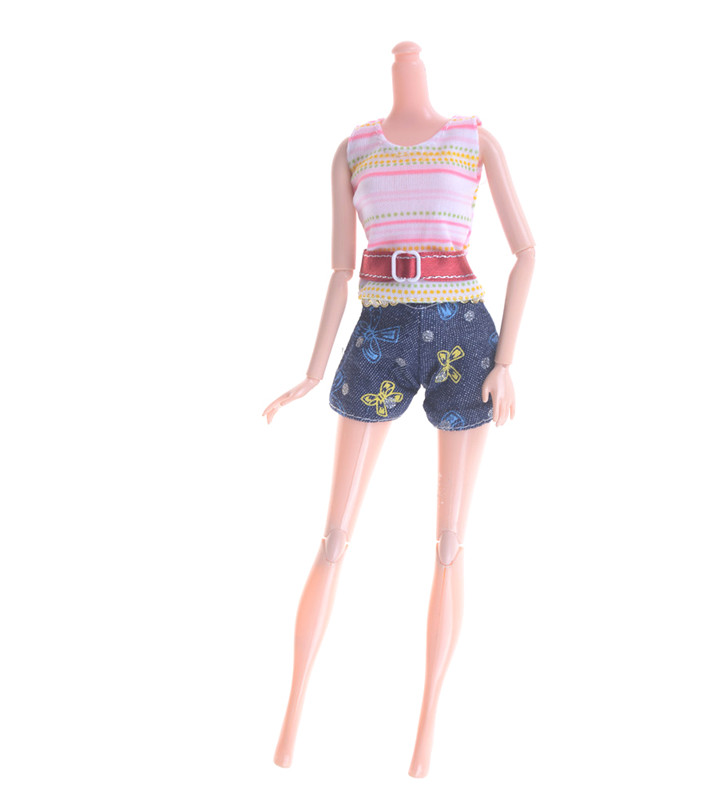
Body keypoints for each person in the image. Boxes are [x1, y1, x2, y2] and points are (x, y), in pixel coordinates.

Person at [263, 41, 536, 778]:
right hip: (378, 330)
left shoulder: (474, 140)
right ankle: (291, 722)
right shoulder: (353, 149)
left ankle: (425, 739)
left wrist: (507, 360)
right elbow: (338, 269)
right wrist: (312, 371)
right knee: (333, 536)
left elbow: (528, 251)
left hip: (464, 335)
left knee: (449, 542)